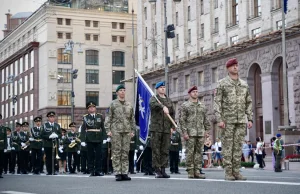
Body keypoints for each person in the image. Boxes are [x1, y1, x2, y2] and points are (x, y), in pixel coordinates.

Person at [214, 58, 253, 181]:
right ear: (228, 68)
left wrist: (250, 118)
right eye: (233, 66)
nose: (235, 67)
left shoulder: (244, 84)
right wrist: (219, 119)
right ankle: (228, 173)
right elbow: (217, 102)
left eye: (237, 65)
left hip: (241, 120)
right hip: (227, 121)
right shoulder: (222, 83)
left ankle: (237, 172)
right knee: (228, 147)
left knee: (237, 147)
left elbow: (249, 102)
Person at [105, 85, 135, 181]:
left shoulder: (129, 104)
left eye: (124, 90)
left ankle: (124, 172)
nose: (122, 92)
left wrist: (133, 130)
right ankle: (118, 172)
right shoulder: (113, 104)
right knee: (117, 152)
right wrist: (108, 130)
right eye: (120, 90)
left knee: (125, 152)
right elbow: (108, 118)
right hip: (116, 131)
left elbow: (132, 119)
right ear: (117, 92)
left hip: (127, 131)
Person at [179, 86, 210, 179]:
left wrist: (207, 131)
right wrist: (184, 132)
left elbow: (206, 119)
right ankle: (190, 171)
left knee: (199, 153)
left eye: (196, 91)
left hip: (200, 133)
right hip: (190, 133)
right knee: (190, 152)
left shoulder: (202, 105)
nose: (195, 93)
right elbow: (182, 120)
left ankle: (197, 171)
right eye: (193, 92)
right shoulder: (185, 105)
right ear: (190, 94)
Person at [149, 81, 175, 178]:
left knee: (165, 149)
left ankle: (163, 169)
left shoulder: (169, 100)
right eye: (161, 88)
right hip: (156, 129)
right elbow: (152, 106)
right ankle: (157, 169)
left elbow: (172, 113)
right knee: (156, 149)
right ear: (157, 89)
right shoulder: (154, 99)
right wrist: (162, 106)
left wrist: (172, 127)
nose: (163, 89)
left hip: (166, 129)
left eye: (164, 87)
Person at [81, 101, 105, 177]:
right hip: (89, 138)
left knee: (99, 156)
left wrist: (105, 137)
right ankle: (91, 170)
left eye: (93, 107)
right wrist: (82, 140)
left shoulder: (100, 116)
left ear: (95, 108)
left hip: (98, 138)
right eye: (90, 107)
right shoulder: (85, 117)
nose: (92, 108)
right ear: (88, 109)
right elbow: (83, 129)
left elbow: (103, 128)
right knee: (90, 156)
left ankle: (98, 170)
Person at [41, 111, 61, 175]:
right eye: (50, 117)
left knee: (55, 158)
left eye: (53, 117)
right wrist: (49, 136)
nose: (52, 118)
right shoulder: (45, 125)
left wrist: (57, 136)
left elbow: (60, 134)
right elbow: (42, 135)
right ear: (48, 118)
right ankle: (49, 170)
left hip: (55, 144)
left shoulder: (57, 125)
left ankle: (54, 170)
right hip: (48, 144)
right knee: (48, 158)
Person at [0, 114, 7, 178]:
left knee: (1, 160)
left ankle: (0, 172)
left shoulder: (3, 128)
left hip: (1, 146)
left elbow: (5, 138)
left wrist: (5, 147)